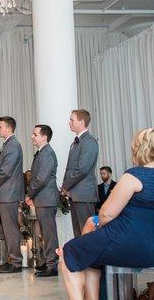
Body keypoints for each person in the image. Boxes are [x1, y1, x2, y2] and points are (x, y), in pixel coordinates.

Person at [59, 128, 154, 300]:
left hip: (131, 245)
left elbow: (105, 215)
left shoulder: (134, 176)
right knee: (90, 254)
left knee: (69, 251)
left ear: (141, 149)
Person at [0, 116, 24, 273]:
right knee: (8, 228)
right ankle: (12, 259)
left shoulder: (13, 145)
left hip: (9, 193)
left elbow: (5, 171)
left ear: (9, 128)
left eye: (0, 126)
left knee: (11, 229)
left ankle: (16, 262)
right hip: (7, 193)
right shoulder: (9, 144)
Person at [26, 124, 59, 277]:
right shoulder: (42, 152)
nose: (32, 136)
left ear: (44, 137)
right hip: (43, 199)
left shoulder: (46, 153)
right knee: (45, 234)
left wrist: (30, 194)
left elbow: (41, 179)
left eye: (35, 134)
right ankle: (48, 261)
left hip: (46, 199)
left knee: (49, 234)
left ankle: (52, 265)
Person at [61, 109, 99, 238]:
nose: (69, 122)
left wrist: (66, 185)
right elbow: (71, 168)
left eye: (72, 119)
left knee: (86, 232)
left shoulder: (88, 141)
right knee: (78, 232)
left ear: (82, 122)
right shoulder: (77, 141)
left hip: (84, 194)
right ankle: (80, 257)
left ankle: (89, 258)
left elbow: (82, 169)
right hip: (76, 194)